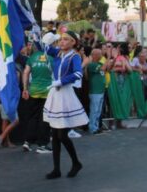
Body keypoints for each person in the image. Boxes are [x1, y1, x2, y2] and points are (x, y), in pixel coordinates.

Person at [43, 30, 88, 179]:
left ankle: (76, 162)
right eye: (61, 39)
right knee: (55, 134)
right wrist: (44, 38)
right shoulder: (58, 53)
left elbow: (78, 74)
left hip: (65, 93)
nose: (62, 42)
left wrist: (61, 81)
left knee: (62, 134)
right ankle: (56, 169)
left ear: (73, 42)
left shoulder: (74, 56)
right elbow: (43, 48)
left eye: (66, 40)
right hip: (56, 94)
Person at [21, 40, 53, 152]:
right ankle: (42, 145)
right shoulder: (50, 58)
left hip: (33, 91)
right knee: (44, 119)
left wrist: (25, 89)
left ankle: (27, 142)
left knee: (32, 118)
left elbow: (25, 72)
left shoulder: (31, 58)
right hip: (47, 93)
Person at [85, 48, 106, 134]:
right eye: (100, 54)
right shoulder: (92, 65)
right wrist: (108, 58)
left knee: (98, 111)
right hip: (95, 91)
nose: (101, 55)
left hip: (100, 91)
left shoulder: (99, 63)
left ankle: (96, 127)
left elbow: (108, 67)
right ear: (95, 55)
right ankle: (92, 128)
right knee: (94, 110)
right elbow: (103, 68)